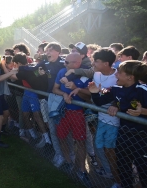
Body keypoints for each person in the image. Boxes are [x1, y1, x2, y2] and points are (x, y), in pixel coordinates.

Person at [89, 60, 147, 188]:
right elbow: (100, 102)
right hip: (124, 134)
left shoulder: (143, 90)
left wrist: (143, 111)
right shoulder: (116, 89)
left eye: (119, 72)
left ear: (130, 77)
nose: (116, 75)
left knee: (143, 171)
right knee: (124, 167)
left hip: (142, 138)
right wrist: (94, 93)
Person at [53, 52, 92, 187]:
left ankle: (82, 170)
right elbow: (55, 89)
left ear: (77, 63)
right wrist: (64, 93)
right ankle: (69, 162)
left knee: (80, 141)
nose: (64, 63)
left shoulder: (86, 74)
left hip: (78, 113)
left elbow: (89, 97)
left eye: (67, 62)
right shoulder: (62, 71)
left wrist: (77, 89)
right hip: (63, 112)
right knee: (62, 137)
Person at [88, 48, 121, 185]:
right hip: (101, 117)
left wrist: (116, 105)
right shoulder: (96, 74)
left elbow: (119, 97)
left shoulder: (119, 77)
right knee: (99, 145)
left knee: (111, 150)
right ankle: (109, 171)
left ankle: (119, 178)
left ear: (106, 63)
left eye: (96, 61)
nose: (93, 63)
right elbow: (94, 93)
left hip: (115, 120)